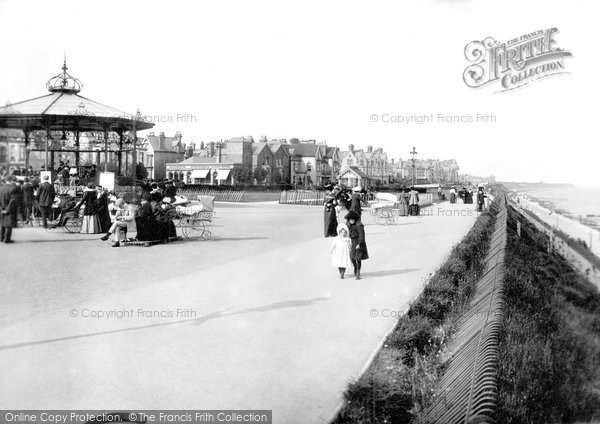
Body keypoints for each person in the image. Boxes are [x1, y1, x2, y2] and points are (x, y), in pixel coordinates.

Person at [345, 211, 369, 280]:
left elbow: (362, 236)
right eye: (350, 219)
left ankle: (358, 272)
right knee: (352, 257)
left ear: (355, 219)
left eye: (353, 219)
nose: (351, 220)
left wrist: (359, 244)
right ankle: (355, 267)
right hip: (352, 243)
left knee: (358, 258)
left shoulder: (359, 225)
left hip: (359, 243)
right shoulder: (348, 225)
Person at [0, 176, 20, 243]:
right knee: (9, 224)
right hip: (10, 208)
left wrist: (1, 209)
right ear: (11, 180)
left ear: (5, 180)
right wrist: (7, 209)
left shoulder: (1, 188)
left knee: (2, 223)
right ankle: (7, 239)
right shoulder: (13, 188)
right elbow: (13, 200)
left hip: (2, 207)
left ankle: (1, 238)